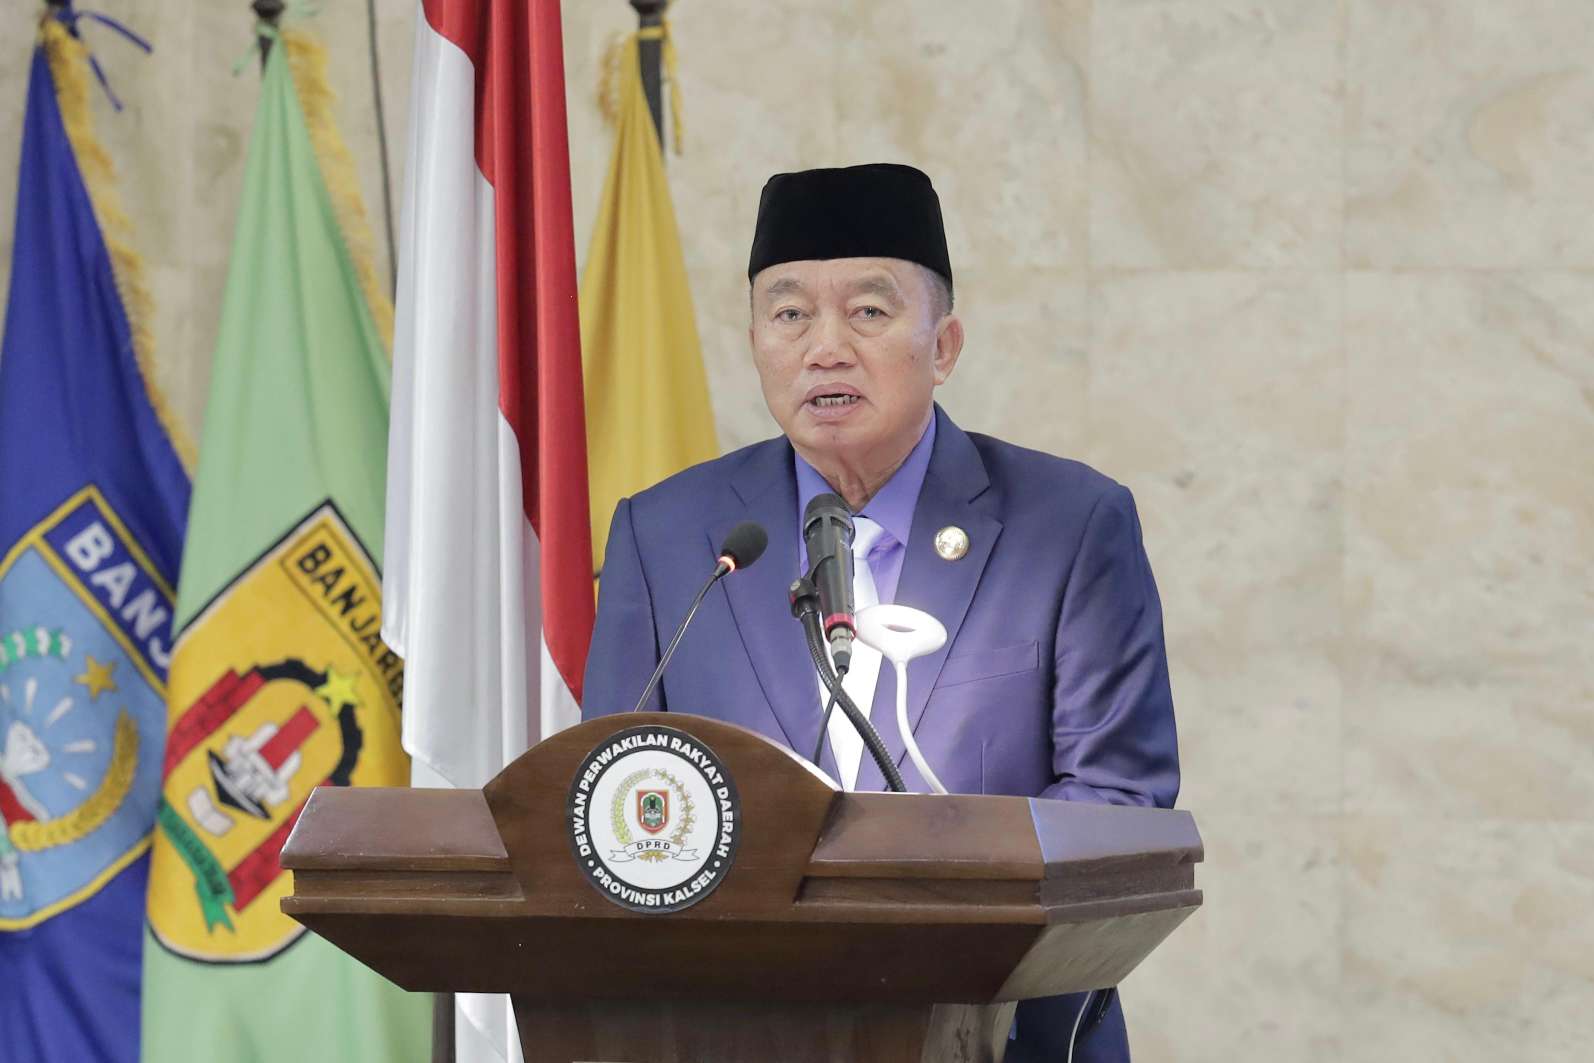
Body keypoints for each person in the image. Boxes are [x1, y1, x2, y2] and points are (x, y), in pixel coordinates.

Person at [583, 163, 1179, 1063]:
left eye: (867, 311)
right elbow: (615, 794)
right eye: (790, 314)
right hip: (731, 1032)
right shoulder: (667, 535)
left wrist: (933, 922)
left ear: (943, 346)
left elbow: (1119, 805)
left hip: (998, 1035)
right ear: (755, 342)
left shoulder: (1068, 525)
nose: (824, 348)